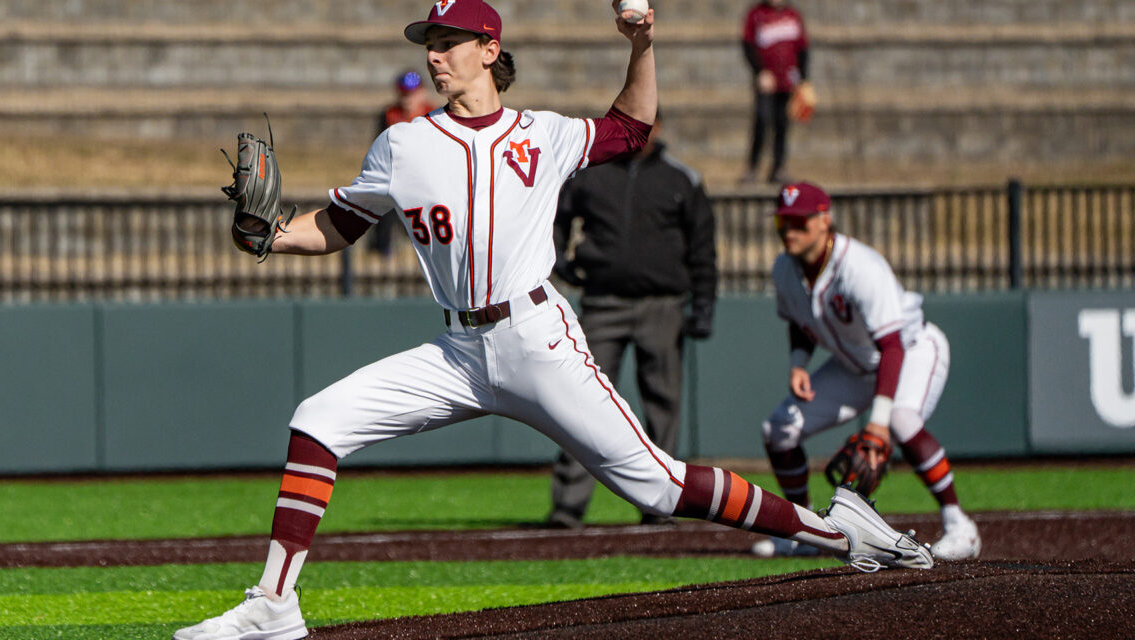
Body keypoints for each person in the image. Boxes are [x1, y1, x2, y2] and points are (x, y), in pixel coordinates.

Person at [176, 4, 932, 639]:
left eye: (446, 43)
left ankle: (840, 532)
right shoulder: (402, 145)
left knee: (658, 489)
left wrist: (642, 44)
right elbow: (340, 225)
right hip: (457, 349)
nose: (434, 57)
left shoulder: (543, 132)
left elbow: (632, 128)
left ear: (488, 50)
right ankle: (274, 605)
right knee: (319, 419)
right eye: (428, 44)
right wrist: (271, 236)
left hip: (537, 338)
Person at [752, 181, 982, 562]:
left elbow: (891, 345)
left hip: (911, 350)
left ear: (824, 221)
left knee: (901, 419)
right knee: (778, 430)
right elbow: (798, 319)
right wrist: (798, 364)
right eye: (782, 223)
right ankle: (804, 531)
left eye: (799, 222)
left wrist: (877, 423)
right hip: (856, 365)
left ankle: (960, 525)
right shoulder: (785, 268)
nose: (789, 231)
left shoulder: (859, 266)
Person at [546, 115, 718, 528]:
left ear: (658, 129)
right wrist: (560, 264)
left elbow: (703, 250)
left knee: (662, 407)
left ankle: (661, 504)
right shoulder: (590, 175)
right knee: (580, 404)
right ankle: (568, 507)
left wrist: (703, 308)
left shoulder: (682, 179)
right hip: (602, 302)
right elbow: (554, 219)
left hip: (663, 305)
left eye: (650, 124)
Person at [739, 0, 809, 185]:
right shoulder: (756, 14)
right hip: (766, 81)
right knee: (761, 121)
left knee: (782, 124)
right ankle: (753, 167)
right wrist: (759, 71)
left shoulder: (793, 15)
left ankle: (778, 168)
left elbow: (802, 48)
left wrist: (803, 78)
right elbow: (747, 45)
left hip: (788, 81)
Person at [371, 70, 439, 256]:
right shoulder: (389, 114)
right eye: (403, 94)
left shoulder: (434, 115)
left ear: (422, 92)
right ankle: (381, 249)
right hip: (397, 174)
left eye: (412, 94)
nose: (408, 99)